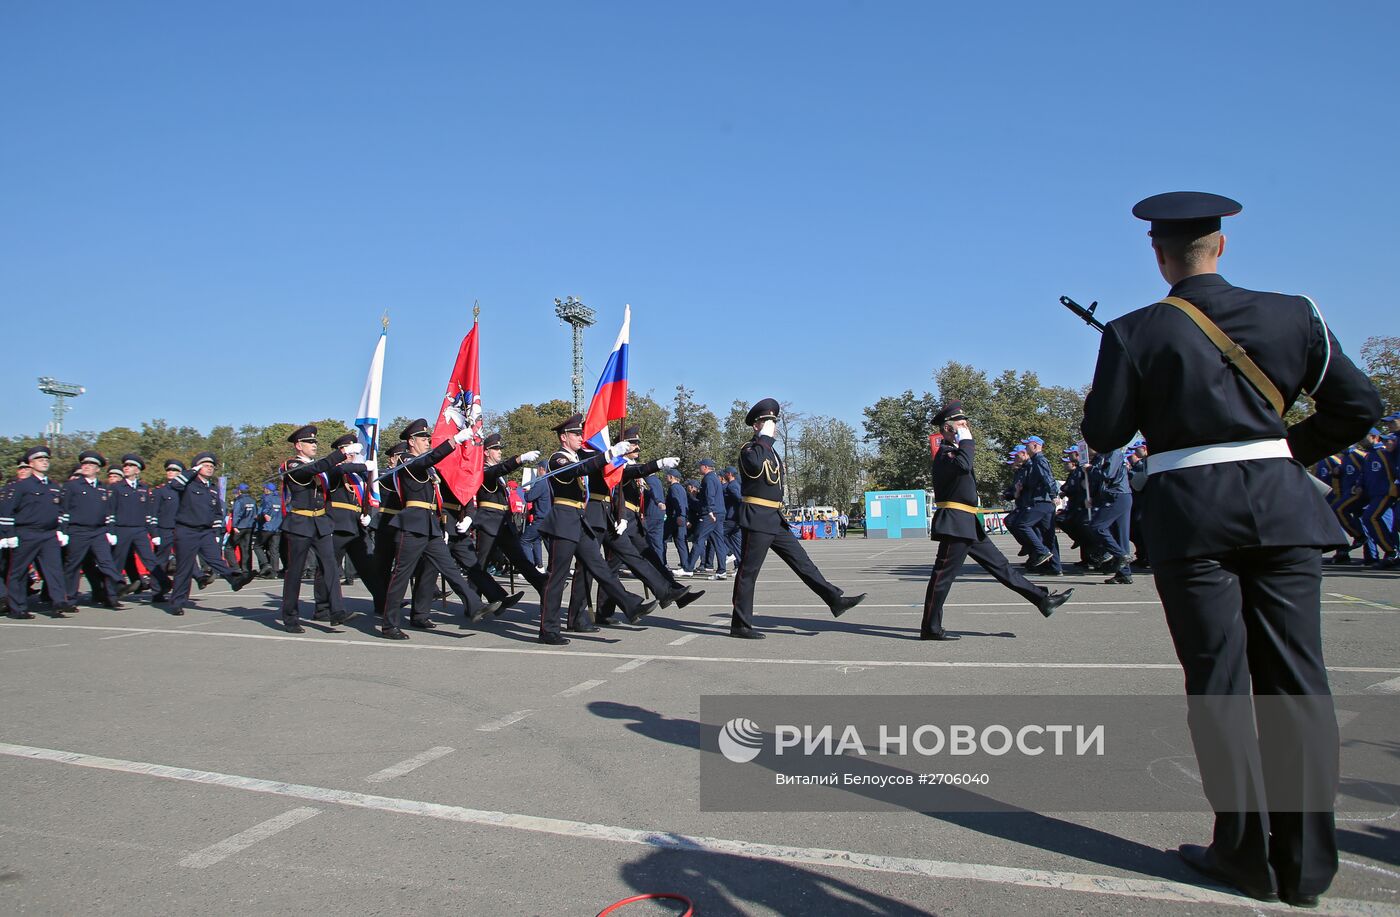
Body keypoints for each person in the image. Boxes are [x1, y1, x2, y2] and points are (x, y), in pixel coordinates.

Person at [1081, 191, 1381, 908]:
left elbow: (1104, 436)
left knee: (1218, 685)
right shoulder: (1296, 313)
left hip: (1192, 519)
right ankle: (1307, 866)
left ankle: (1242, 853)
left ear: (1159, 256)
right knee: (1299, 683)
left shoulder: (1135, 329)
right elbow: (1359, 404)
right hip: (1283, 509)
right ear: (1222, 247)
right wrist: (1285, 451)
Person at [920, 402, 1072, 641]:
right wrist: (966, 441)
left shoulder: (956, 451)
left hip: (967, 522)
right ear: (948, 429)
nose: (966, 429)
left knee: (1002, 567)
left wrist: (965, 442)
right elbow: (964, 465)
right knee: (942, 578)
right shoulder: (946, 454)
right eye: (961, 426)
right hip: (955, 523)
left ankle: (1043, 600)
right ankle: (930, 627)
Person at [730, 398, 866, 638]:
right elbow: (753, 467)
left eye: (773, 421)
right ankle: (740, 624)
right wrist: (764, 438)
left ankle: (835, 599)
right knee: (748, 572)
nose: (772, 424)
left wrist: (767, 441)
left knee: (803, 563)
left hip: (775, 517)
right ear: (756, 425)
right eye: (767, 421)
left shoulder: (770, 451)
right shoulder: (749, 449)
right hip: (757, 517)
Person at [537, 413, 657, 645]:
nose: (580, 437)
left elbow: (587, 467)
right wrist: (609, 454)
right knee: (557, 578)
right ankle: (548, 629)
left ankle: (630, 605)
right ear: (564, 437)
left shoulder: (576, 457)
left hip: (579, 520)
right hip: (562, 522)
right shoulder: (557, 459)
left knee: (599, 567)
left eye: (580, 433)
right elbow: (577, 471)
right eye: (575, 434)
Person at [378, 418, 499, 640]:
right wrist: (453, 441)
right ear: (411, 441)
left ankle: (474, 606)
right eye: (423, 438)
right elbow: (429, 459)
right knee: (401, 576)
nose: (427, 441)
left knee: (449, 569)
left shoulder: (427, 466)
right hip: (412, 524)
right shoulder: (406, 460)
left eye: (427, 438)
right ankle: (389, 624)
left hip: (430, 524)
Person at [278, 425, 363, 633]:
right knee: (295, 572)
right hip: (300, 523)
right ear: (299, 446)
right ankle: (290, 617)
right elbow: (313, 471)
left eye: (315, 442)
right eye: (310, 442)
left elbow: (337, 469)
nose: (314, 445)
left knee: (331, 567)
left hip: (321, 523)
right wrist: (341, 452)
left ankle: (337, 611)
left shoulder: (318, 465)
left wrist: (363, 464)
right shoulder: (292, 465)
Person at [164, 453, 258, 615]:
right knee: (184, 568)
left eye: (211, 466)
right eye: (205, 465)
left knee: (215, 559)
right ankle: (177, 602)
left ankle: (234, 580)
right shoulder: (188, 484)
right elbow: (174, 485)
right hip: (187, 530)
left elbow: (216, 512)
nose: (209, 468)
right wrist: (191, 471)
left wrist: (216, 531)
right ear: (197, 467)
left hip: (206, 531)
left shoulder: (213, 489)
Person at [465, 432, 543, 608]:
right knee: (481, 563)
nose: (499, 452)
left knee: (519, 558)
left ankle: (543, 585)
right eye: (495, 449)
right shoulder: (483, 470)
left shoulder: (498, 474)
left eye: (500, 448)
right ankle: (473, 603)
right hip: (488, 521)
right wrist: (520, 459)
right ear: (486, 452)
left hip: (503, 522)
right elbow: (498, 470)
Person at [313, 433, 386, 621]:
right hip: (338, 524)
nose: (353, 453)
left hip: (356, 525)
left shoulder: (357, 476)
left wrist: (367, 515)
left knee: (368, 567)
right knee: (329, 568)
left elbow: (364, 499)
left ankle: (382, 603)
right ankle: (322, 608)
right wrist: (364, 466)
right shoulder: (334, 469)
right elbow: (339, 470)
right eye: (349, 449)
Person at [0, 446, 79, 619]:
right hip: (26, 533)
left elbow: (61, 510)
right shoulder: (21, 486)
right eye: (40, 460)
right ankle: (18, 607)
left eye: (46, 459)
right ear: (31, 463)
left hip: (49, 534)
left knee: (54, 569)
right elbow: (7, 511)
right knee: (19, 572)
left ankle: (59, 601)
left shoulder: (53, 486)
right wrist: (8, 534)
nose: (44, 462)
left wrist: (61, 530)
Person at [59, 450, 126, 609]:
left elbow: (109, 512)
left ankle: (118, 583)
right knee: (74, 565)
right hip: (78, 531)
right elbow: (63, 510)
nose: (87, 466)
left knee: (106, 561)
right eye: (84, 464)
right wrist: (62, 530)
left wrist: (110, 530)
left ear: (98, 469)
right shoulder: (72, 486)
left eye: (91, 464)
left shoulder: (103, 488)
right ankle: (69, 599)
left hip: (98, 531)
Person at [109, 453, 168, 599]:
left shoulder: (143, 488)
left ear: (138, 470)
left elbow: (148, 513)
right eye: (125, 466)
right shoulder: (117, 488)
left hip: (140, 530)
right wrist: (110, 531)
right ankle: (111, 594)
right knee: (118, 562)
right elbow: (110, 511)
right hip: (121, 529)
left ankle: (164, 583)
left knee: (150, 560)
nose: (126, 468)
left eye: (130, 466)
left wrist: (154, 534)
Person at [1007, 436, 1061, 575]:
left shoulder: (1039, 460)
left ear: (1035, 446)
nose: (1025, 448)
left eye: (1027, 446)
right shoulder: (1035, 462)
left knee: (1021, 524)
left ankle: (1041, 552)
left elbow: (1048, 478)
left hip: (1041, 501)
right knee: (1048, 536)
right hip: (1042, 501)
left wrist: (1054, 495)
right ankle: (1054, 567)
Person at [663, 467, 691, 573]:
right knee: (681, 542)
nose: (666, 477)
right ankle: (686, 564)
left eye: (667, 476)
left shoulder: (674, 488)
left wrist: (679, 515)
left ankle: (663, 563)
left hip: (675, 518)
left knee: (662, 540)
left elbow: (677, 502)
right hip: (680, 517)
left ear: (671, 477)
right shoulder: (681, 488)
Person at [254, 483, 282, 578]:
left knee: (257, 546)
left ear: (267, 489)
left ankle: (266, 564)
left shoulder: (267, 498)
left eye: (264, 488)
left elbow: (265, 511)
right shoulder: (279, 499)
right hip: (277, 528)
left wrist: (263, 515)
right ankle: (274, 572)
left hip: (267, 528)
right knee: (274, 550)